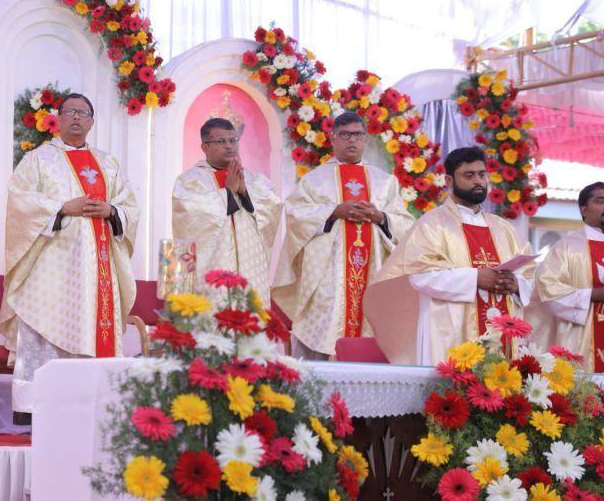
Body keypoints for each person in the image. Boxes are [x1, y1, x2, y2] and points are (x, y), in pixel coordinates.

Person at [0, 93, 139, 421]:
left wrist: (111, 211)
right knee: (45, 329)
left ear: (92, 122)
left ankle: (90, 410)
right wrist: (61, 208)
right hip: (50, 270)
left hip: (98, 270)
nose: (76, 117)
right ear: (58, 119)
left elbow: (130, 207)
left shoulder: (108, 164)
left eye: (83, 112)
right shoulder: (38, 160)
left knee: (92, 329)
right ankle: (37, 410)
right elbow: (19, 202)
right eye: (70, 111)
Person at [366, 146, 533, 365]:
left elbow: (529, 274)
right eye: (469, 175)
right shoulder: (432, 224)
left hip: (503, 330)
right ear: (449, 180)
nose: (478, 181)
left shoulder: (504, 228)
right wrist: (475, 278)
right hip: (451, 331)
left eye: (481, 174)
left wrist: (516, 284)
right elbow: (420, 276)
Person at [272, 111, 413, 360]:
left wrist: (380, 217)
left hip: (373, 276)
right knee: (322, 344)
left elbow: (406, 225)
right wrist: (334, 211)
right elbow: (295, 215)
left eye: (357, 135)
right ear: (333, 138)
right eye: (345, 134)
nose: (352, 140)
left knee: (371, 345)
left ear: (365, 139)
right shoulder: (314, 180)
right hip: (328, 280)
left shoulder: (385, 182)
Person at [172, 117, 281, 304]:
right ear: (205, 147)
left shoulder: (253, 179)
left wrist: (244, 192)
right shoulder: (190, 180)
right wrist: (228, 193)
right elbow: (188, 215)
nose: (229, 146)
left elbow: (273, 206)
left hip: (250, 267)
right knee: (214, 315)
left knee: (250, 316)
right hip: (214, 267)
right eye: (221, 141)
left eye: (233, 140)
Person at [526, 182, 604, 371]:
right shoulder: (566, 247)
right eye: (600, 201)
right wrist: (593, 295)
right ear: (584, 210)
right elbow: (547, 289)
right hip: (581, 341)